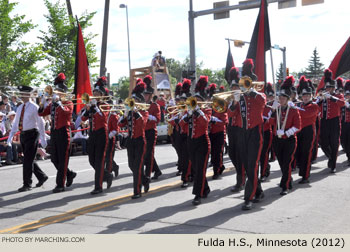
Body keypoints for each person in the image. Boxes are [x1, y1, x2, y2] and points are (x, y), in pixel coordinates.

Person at [229, 59, 266, 210]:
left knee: (252, 164)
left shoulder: (259, 96)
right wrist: (234, 102)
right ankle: (259, 191)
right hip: (242, 133)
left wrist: (252, 91)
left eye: (247, 83)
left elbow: (262, 102)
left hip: (255, 133)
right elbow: (231, 114)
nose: (244, 86)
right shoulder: (240, 98)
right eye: (243, 83)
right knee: (246, 165)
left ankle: (248, 198)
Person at [38, 73, 77, 193]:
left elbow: (67, 113)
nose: (56, 93)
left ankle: (60, 184)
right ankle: (69, 174)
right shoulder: (52, 105)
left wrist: (58, 103)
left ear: (63, 93)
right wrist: (42, 100)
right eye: (55, 91)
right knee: (54, 158)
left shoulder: (68, 103)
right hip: (54, 133)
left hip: (64, 133)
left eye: (58, 92)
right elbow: (41, 113)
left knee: (63, 159)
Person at [7, 85, 48, 192]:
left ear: (29, 95)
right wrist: (10, 137)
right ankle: (42, 176)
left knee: (27, 161)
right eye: (21, 94)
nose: (22, 96)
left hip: (32, 134)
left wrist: (43, 138)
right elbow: (16, 124)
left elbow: (41, 123)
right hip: (23, 134)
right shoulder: (20, 107)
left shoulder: (34, 107)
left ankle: (27, 183)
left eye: (24, 94)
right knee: (28, 159)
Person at [179, 76, 211, 206]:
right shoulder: (189, 111)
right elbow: (181, 125)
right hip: (191, 142)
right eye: (195, 100)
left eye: (198, 100)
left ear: (202, 101)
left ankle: (197, 195)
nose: (195, 102)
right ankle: (206, 188)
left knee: (200, 169)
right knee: (197, 169)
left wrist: (197, 111)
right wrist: (188, 115)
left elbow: (205, 123)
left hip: (203, 142)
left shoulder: (206, 110)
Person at [81, 77, 113, 194]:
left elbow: (103, 117)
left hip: (101, 134)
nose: (94, 94)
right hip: (92, 134)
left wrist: (95, 107)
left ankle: (98, 187)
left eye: (97, 93)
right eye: (94, 92)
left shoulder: (105, 105)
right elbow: (83, 118)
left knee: (99, 161)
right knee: (91, 159)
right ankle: (106, 175)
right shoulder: (91, 105)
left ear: (102, 95)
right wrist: (88, 108)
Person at [270, 76, 301, 196]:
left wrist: (286, 133)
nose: (281, 99)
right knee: (281, 162)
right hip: (277, 140)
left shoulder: (293, 110)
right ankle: (288, 179)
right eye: (280, 97)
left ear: (288, 99)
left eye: (283, 97)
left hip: (289, 140)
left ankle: (286, 186)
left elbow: (298, 126)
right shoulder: (276, 109)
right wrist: (272, 111)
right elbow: (269, 122)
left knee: (287, 162)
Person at [118, 82, 149, 199]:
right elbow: (120, 124)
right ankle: (145, 180)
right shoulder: (130, 113)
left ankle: (137, 191)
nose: (132, 102)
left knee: (137, 167)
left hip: (140, 141)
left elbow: (142, 124)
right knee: (132, 165)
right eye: (132, 100)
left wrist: (135, 112)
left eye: (135, 100)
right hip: (130, 141)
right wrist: (124, 115)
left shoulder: (144, 112)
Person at [316, 69, 345, 173]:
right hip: (324, 121)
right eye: (326, 87)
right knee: (323, 143)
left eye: (329, 87)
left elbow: (342, 103)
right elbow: (315, 107)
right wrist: (318, 100)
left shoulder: (338, 96)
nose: (327, 89)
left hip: (335, 122)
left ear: (333, 88)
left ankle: (333, 165)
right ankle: (331, 158)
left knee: (334, 143)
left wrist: (332, 97)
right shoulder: (322, 96)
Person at [295, 76, 319, 183]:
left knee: (306, 152)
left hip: (309, 131)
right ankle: (302, 171)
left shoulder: (314, 106)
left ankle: (305, 176)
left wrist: (295, 108)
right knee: (298, 152)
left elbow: (305, 114)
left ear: (311, 96)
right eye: (304, 95)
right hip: (299, 130)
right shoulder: (299, 105)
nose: (305, 97)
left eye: (307, 95)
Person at [226, 67, 245, 193]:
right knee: (232, 154)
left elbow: (237, 114)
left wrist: (237, 102)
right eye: (232, 88)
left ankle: (240, 181)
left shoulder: (243, 99)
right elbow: (228, 114)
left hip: (240, 129)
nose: (234, 89)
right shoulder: (230, 100)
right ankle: (242, 175)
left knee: (239, 156)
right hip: (231, 128)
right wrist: (233, 103)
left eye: (236, 87)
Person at [143, 75, 162, 180]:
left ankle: (147, 174)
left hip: (151, 131)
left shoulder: (155, 105)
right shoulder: (140, 105)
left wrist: (147, 115)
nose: (145, 96)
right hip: (142, 131)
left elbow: (157, 119)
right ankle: (157, 170)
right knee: (146, 153)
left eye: (147, 94)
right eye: (144, 94)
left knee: (149, 153)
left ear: (150, 95)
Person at [208, 83, 228, 180]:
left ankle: (217, 170)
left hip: (219, 133)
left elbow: (224, 121)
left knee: (218, 153)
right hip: (211, 132)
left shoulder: (220, 107)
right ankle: (220, 166)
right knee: (213, 153)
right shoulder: (209, 108)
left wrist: (214, 120)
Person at [259, 83, 274, 182]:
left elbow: (268, 120)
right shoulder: (258, 108)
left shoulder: (270, 108)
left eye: (270, 97)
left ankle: (263, 173)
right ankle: (266, 167)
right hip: (257, 132)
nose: (268, 99)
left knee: (264, 154)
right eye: (266, 97)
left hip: (267, 132)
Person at [341, 80, 350, 165]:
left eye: (349, 95)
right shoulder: (343, 103)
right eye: (346, 95)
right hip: (344, 124)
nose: (347, 96)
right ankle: (348, 156)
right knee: (344, 142)